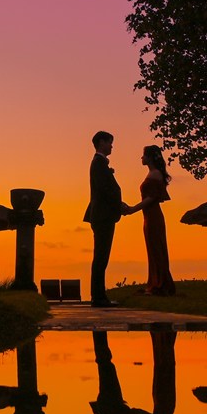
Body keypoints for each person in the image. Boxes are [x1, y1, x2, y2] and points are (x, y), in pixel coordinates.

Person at [83, 130, 129, 307]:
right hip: (103, 216)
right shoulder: (98, 163)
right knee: (101, 257)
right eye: (109, 142)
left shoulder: (99, 163)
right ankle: (98, 297)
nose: (112, 146)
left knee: (102, 256)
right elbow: (105, 190)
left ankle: (99, 296)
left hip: (103, 215)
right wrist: (119, 205)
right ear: (101, 142)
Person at [126, 145, 176, 296]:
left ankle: (161, 283)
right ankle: (155, 282)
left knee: (156, 249)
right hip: (149, 216)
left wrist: (133, 209)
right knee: (152, 249)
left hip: (153, 216)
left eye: (144, 155)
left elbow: (152, 198)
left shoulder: (155, 174)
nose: (141, 158)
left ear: (149, 157)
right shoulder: (152, 173)